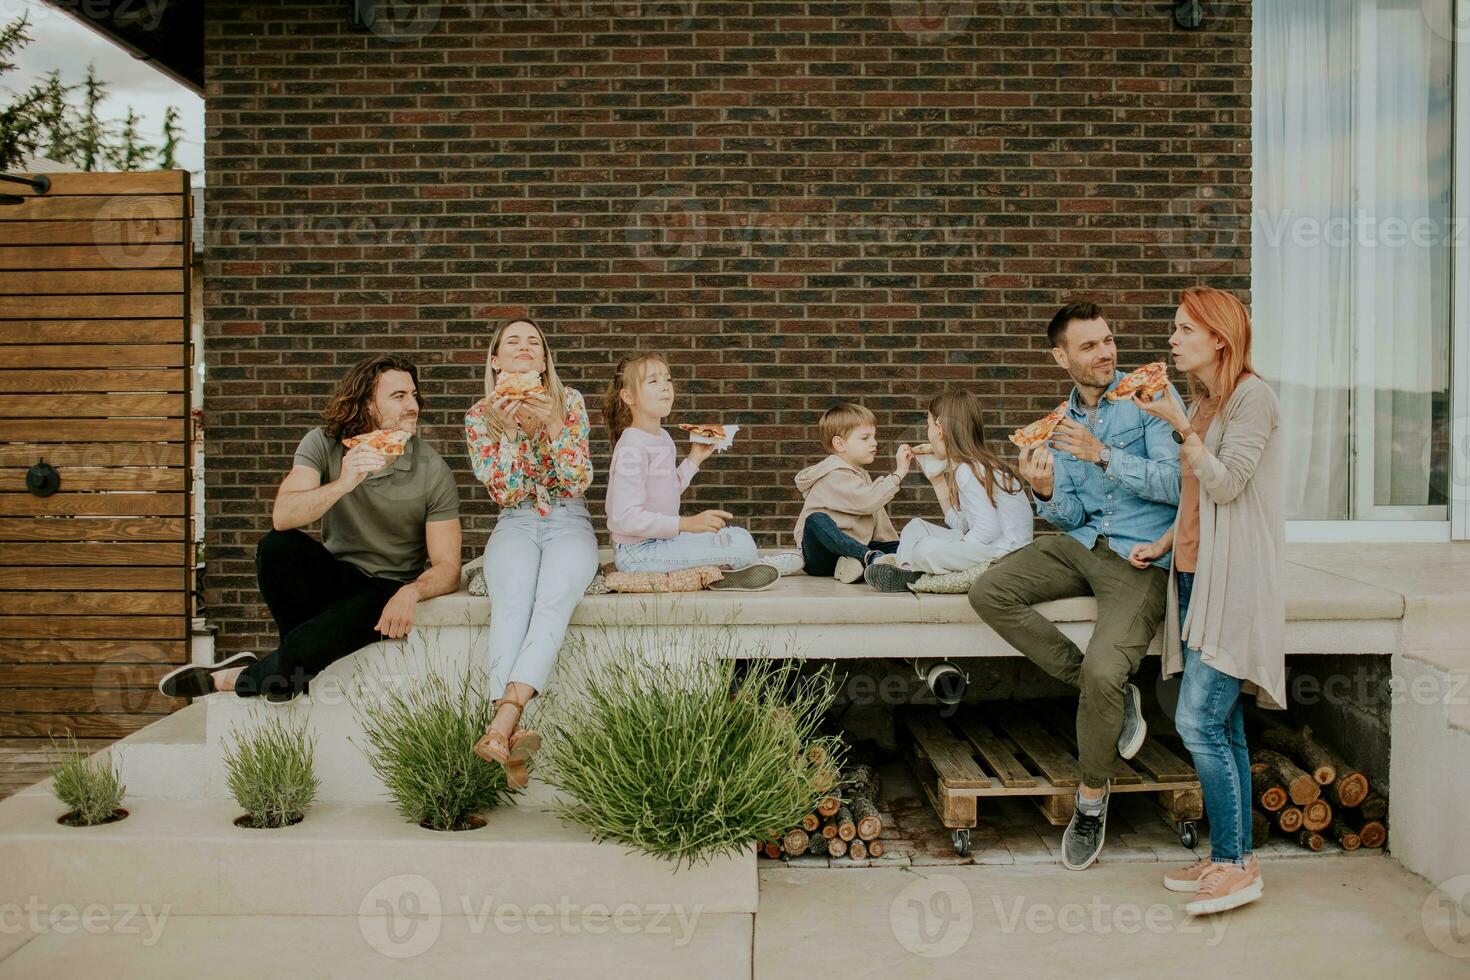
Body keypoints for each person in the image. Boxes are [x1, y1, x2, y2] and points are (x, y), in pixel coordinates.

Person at [970, 301, 1182, 871]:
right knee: (989, 592)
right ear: (1060, 356)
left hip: (1139, 557)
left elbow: (1180, 486)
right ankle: (1113, 699)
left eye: (1108, 340)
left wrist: (1104, 455)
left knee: (1102, 669)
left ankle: (1091, 800)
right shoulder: (1057, 425)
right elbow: (1067, 516)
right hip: (1082, 543)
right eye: (1088, 345)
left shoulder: (1150, 397)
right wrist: (1043, 491)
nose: (1105, 353)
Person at [158, 354, 462, 704]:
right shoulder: (322, 443)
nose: (413, 405)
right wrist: (345, 482)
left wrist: (410, 593)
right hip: (334, 576)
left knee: (340, 620)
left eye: (414, 395)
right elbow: (283, 516)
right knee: (277, 546)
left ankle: (232, 678)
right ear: (367, 403)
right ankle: (290, 664)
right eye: (399, 396)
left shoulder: (432, 468)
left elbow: (448, 568)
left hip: (384, 589)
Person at [1130, 287, 1284, 915]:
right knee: (1223, 723)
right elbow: (1195, 498)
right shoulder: (1207, 401)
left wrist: (1173, 423)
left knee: (1195, 721)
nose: (1172, 340)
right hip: (1194, 576)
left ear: (1218, 337)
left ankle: (1231, 867)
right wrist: (1163, 542)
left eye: (1183, 329)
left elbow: (1227, 486)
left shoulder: (1252, 397)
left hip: (1235, 581)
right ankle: (1236, 852)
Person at [463, 319, 597, 789]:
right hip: (515, 519)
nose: (524, 348)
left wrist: (554, 425)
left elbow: (578, 479)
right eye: (512, 342)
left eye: (533, 343)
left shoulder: (570, 401)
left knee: (554, 600)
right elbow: (505, 491)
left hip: (569, 519)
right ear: (496, 360)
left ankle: (501, 726)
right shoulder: (480, 415)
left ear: (543, 361)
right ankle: (511, 732)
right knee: (511, 603)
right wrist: (510, 433)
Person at [604, 352, 800, 589]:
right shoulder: (631, 447)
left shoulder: (663, 438)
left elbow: (669, 489)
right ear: (628, 396)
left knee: (739, 535)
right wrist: (686, 524)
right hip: (638, 553)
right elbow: (625, 518)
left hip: (663, 540)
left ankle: (723, 573)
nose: (665, 387)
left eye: (668, 379)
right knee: (741, 547)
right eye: (653, 382)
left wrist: (695, 458)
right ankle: (763, 565)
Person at [864, 389, 1033, 592]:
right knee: (916, 526)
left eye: (928, 426)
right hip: (987, 545)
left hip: (1004, 555)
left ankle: (908, 569)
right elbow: (963, 525)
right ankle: (905, 571)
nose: (928, 433)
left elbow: (987, 531)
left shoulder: (970, 469)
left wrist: (957, 546)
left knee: (925, 549)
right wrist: (937, 481)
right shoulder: (972, 466)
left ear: (940, 429)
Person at [792, 403, 908, 583]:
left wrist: (895, 546)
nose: (874, 442)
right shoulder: (834, 474)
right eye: (865, 438)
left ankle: (855, 564)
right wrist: (898, 473)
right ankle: (869, 559)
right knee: (816, 519)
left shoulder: (861, 475)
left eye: (874, 436)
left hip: (856, 546)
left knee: (905, 545)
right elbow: (869, 502)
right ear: (839, 444)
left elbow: (878, 518)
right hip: (822, 556)